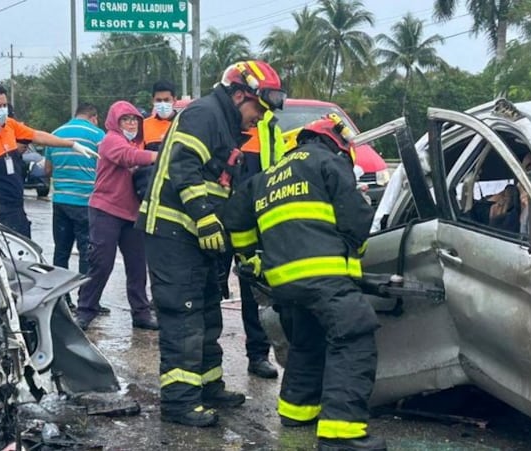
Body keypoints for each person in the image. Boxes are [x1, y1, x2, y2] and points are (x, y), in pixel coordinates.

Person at [220, 115, 387, 451]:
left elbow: (235, 217)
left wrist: (251, 260)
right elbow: (355, 216)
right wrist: (356, 250)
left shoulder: (269, 174)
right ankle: (342, 434)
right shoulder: (328, 162)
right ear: (335, 143)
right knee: (353, 337)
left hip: (283, 283)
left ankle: (297, 411)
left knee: (307, 341)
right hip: (323, 275)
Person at [137, 60, 287, 428]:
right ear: (239, 95)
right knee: (184, 315)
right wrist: (204, 218)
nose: (259, 119)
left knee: (206, 312)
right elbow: (183, 167)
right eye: (258, 108)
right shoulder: (205, 114)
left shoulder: (227, 123)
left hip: (195, 237)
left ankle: (207, 386)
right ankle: (179, 402)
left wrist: (239, 244)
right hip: (173, 232)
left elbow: (222, 189)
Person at [0, 82, 97, 237]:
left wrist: (71, 144)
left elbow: (37, 135)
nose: (2, 110)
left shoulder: (9, 126)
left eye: (4, 105)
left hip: (16, 208)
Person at [75, 100, 159, 331]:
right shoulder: (111, 140)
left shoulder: (135, 143)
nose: (131, 123)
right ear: (114, 121)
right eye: (126, 119)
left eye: (134, 120)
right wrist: (157, 157)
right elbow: (127, 157)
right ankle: (85, 310)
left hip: (132, 214)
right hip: (106, 210)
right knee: (101, 263)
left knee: (137, 266)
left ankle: (141, 313)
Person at [229, 109, 286, 379]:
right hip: (214, 213)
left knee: (254, 289)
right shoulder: (218, 122)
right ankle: (203, 363)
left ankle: (258, 354)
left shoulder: (271, 128)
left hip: (253, 220)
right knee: (204, 291)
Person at [44, 103, 105, 277]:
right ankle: (85, 298)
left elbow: (47, 170)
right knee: (86, 252)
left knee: (61, 252)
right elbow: (105, 167)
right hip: (85, 202)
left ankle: (61, 299)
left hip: (60, 201)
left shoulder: (55, 134)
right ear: (94, 118)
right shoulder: (98, 135)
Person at [143, 80, 178, 151]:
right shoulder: (144, 125)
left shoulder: (184, 123)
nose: (163, 104)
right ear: (153, 101)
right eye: (159, 100)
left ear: (174, 100)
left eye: (166, 100)